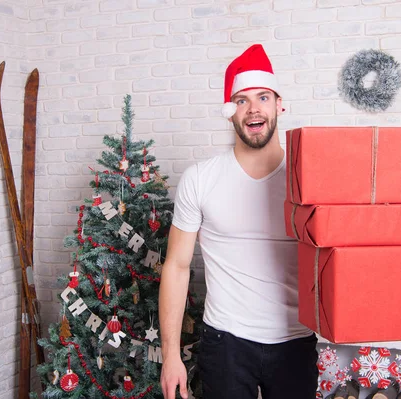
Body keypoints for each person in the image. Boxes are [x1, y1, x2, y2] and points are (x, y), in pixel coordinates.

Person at [159, 44, 319, 399]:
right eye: (242, 100)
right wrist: (171, 356)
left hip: (295, 341)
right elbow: (177, 266)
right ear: (229, 113)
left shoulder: (310, 178)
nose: (253, 109)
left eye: (263, 97)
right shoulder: (200, 178)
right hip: (225, 343)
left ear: (280, 104)